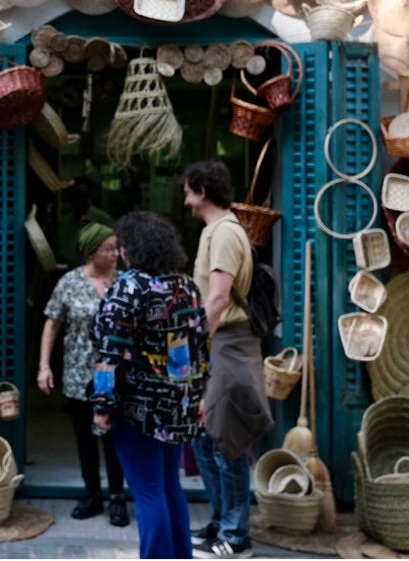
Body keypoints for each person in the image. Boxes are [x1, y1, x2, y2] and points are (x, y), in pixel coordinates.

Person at [89, 210, 210, 559]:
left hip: (138, 407)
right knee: (169, 486)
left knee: (148, 492)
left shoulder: (129, 286)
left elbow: (109, 352)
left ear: (130, 249)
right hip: (179, 402)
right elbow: (199, 343)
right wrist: (195, 393)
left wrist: (102, 407)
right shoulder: (186, 285)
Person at [183, 160, 273, 560]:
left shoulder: (224, 233)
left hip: (228, 344)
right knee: (206, 438)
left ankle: (237, 535)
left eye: (188, 190)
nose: (185, 198)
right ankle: (221, 521)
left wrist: (195, 345)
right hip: (219, 343)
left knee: (227, 440)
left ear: (202, 189)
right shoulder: (213, 231)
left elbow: (218, 299)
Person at [37, 221, 129, 527]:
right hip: (79, 373)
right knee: (85, 438)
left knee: (115, 438)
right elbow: (52, 323)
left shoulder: (124, 282)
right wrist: (44, 366)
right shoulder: (69, 282)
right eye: (108, 248)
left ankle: (117, 497)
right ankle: (92, 495)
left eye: (116, 247)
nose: (115, 253)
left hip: (116, 373)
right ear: (91, 252)